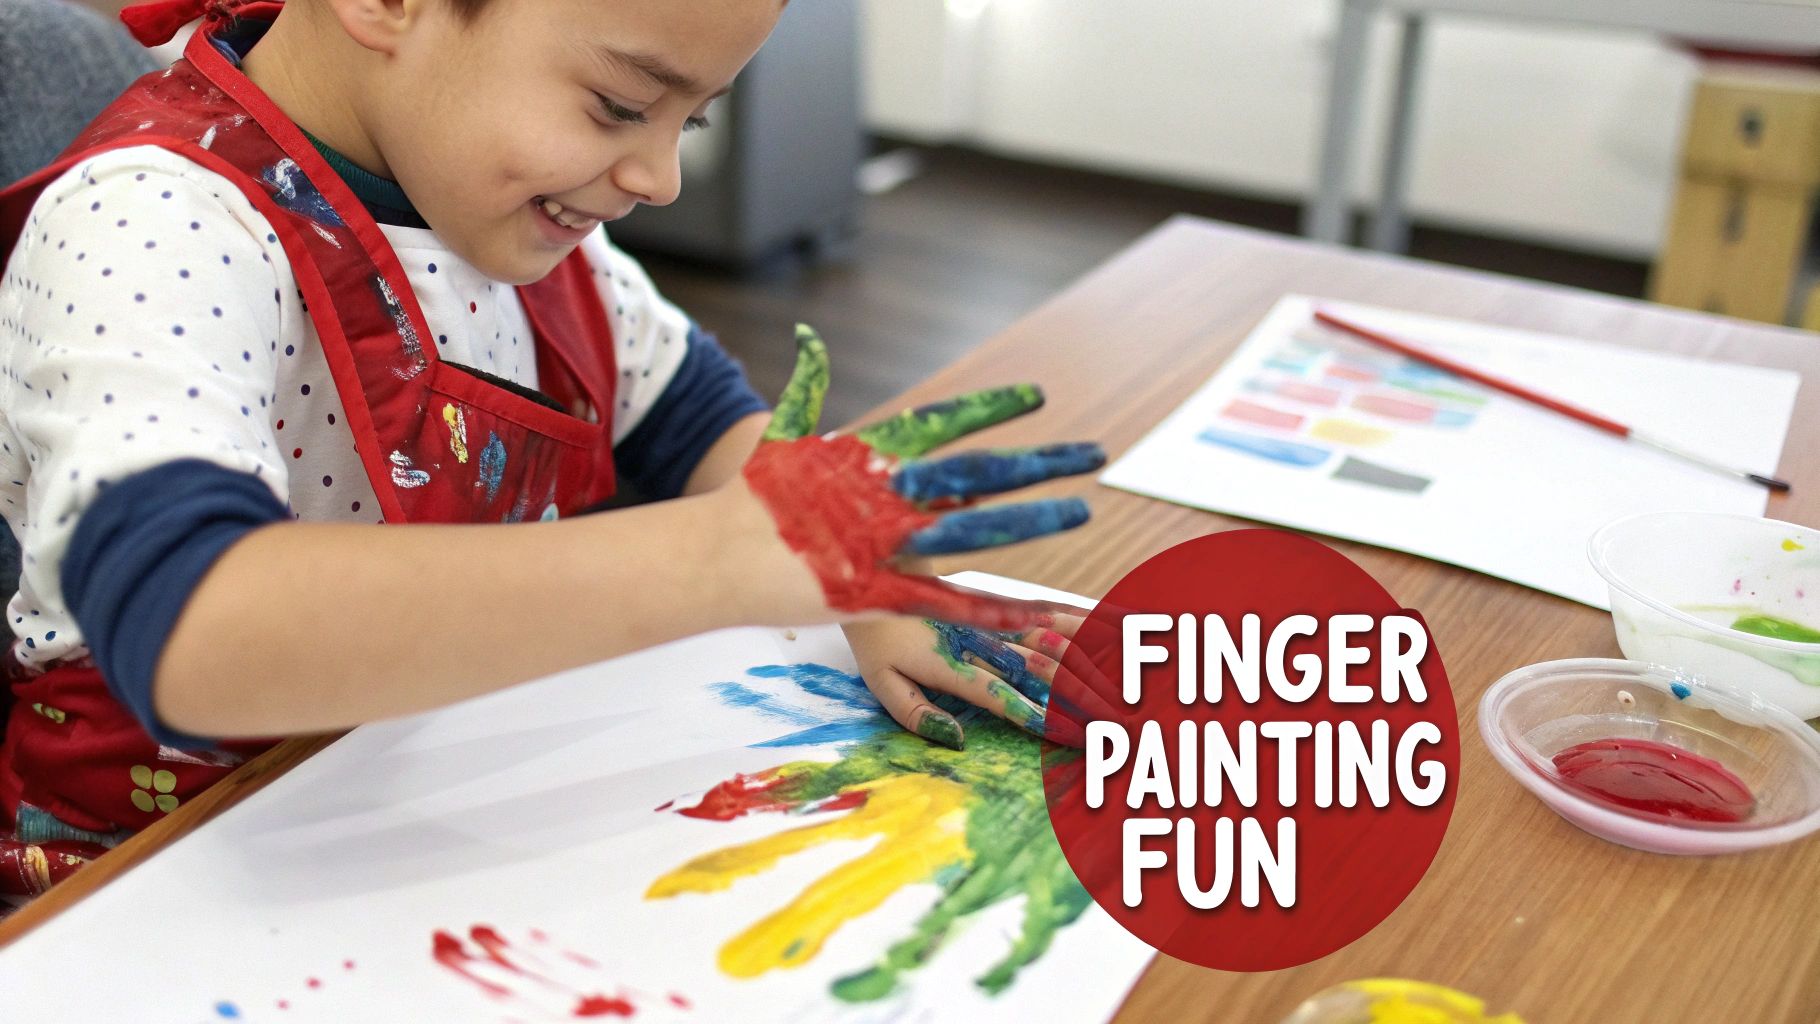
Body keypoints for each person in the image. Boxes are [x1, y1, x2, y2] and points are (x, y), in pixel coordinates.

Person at [0, 0, 1103, 899]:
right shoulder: (149, 225)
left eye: (690, 121)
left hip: (413, 804)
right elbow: (193, 632)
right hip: (151, 879)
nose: (659, 177)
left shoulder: (499, 211)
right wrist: (716, 561)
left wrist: (859, 577)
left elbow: (694, 413)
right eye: (621, 105)